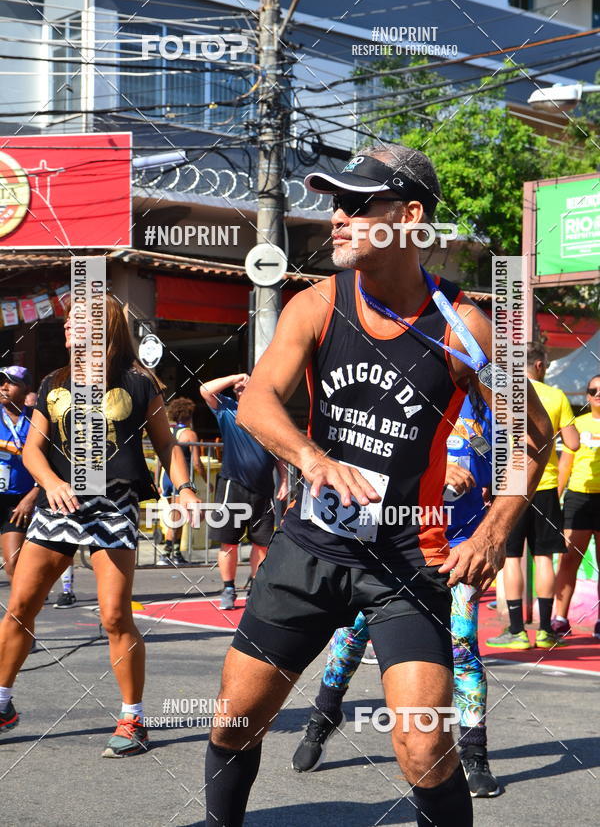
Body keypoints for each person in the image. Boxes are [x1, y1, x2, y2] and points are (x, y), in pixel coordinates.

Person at [203, 143, 552, 826]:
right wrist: (311, 459)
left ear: (408, 215)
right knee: (235, 719)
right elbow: (256, 402)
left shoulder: (469, 329)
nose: (338, 218)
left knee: (425, 745)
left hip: (404, 561)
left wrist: (492, 531)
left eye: (358, 205)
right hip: (310, 549)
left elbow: (534, 437)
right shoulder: (315, 305)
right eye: (336, 204)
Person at [0, 293, 201, 755]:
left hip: (114, 506)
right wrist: (48, 482)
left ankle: (134, 719)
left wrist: (185, 488)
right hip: (59, 505)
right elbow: (32, 449)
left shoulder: (139, 382)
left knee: (114, 616)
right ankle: (3, 704)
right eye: (68, 323)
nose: (67, 330)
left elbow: (167, 444)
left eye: (77, 324)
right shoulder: (55, 381)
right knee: (20, 606)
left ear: (103, 330)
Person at [291, 392, 500, 798]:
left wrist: (492, 536)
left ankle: (475, 754)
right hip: (390, 544)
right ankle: (323, 716)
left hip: (456, 545)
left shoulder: (491, 403)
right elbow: (365, 463)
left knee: (462, 647)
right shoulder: (406, 390)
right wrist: (438, 473)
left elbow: (518, 467)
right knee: (350, 638)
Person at [487, 342, 579, 651]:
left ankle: (515, 631)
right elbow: (574, 443)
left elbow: (491, 439)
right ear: (539, 365)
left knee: (511, 559)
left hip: (510, 485)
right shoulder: (555, 396)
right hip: (545, 483)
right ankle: (545, 630)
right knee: (544, 558)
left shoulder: (506, 396)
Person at [199, 373, 288, 610]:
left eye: (244, 388)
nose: (240, 390)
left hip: (263, 489)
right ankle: (228, 588)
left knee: (262, 544)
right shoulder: (228, 410)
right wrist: (236, 377)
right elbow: (205, 389)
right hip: (233, 485)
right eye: (236, 389)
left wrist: (285, 479)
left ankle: (256, 589)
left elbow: (277, 449)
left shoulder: (269, 416)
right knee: (229, 542)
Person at [553, 373, 600, 639]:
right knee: (568, 559)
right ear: (587, 396)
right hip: (578, 499)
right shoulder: (577, 423)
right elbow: (565, 466)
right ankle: (560, 618)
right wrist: (554, 499)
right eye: (593, 390)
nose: (598, 394)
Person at [0, 367, 38, 582]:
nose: (3, 387)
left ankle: (23, 609)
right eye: (1, 382)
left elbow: (52, 462)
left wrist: (31, 497)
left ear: (26, 390)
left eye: (11, 383)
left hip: (18, 501)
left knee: (13, 563)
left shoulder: (37, 420)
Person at [157, 396, 205, 566]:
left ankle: (174, 553)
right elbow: (197, 462)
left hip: (166, 477)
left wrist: (157, 482)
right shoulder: (190, 434)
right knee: (178, 517)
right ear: (189, 415)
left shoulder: (168, 432)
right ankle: (168, 553)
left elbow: (158, 459)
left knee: (176, 515)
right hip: (181, 480)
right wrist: (206, 480)